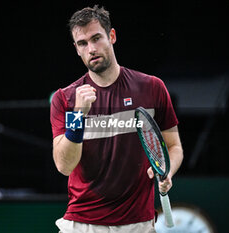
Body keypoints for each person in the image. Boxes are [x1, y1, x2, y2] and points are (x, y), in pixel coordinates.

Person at [50, 5, 183, 233]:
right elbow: (64, 166)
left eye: (96, 38)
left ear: (111, 36)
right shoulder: (66, 98)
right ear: (76, 49)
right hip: (83, 224)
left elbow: (174, 146)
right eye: (83, 43)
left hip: (137, 224)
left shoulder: (152, 87)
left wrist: (167, 172)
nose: (91, 48)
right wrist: (78, 116)